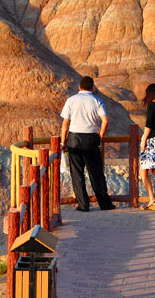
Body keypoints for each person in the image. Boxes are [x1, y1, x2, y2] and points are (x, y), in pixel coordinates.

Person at [60, 76, 116, 212]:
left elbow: (65, 124)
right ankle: (105, 204)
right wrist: (100, 135)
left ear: (79, 87)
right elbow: (105, 121)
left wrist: (63, 141)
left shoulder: (71, 100)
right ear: (92, 87)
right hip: (91, 139)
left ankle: (83, 205)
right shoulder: (97, 101)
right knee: (96, 173)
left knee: (77, 174)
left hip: (74, 140)